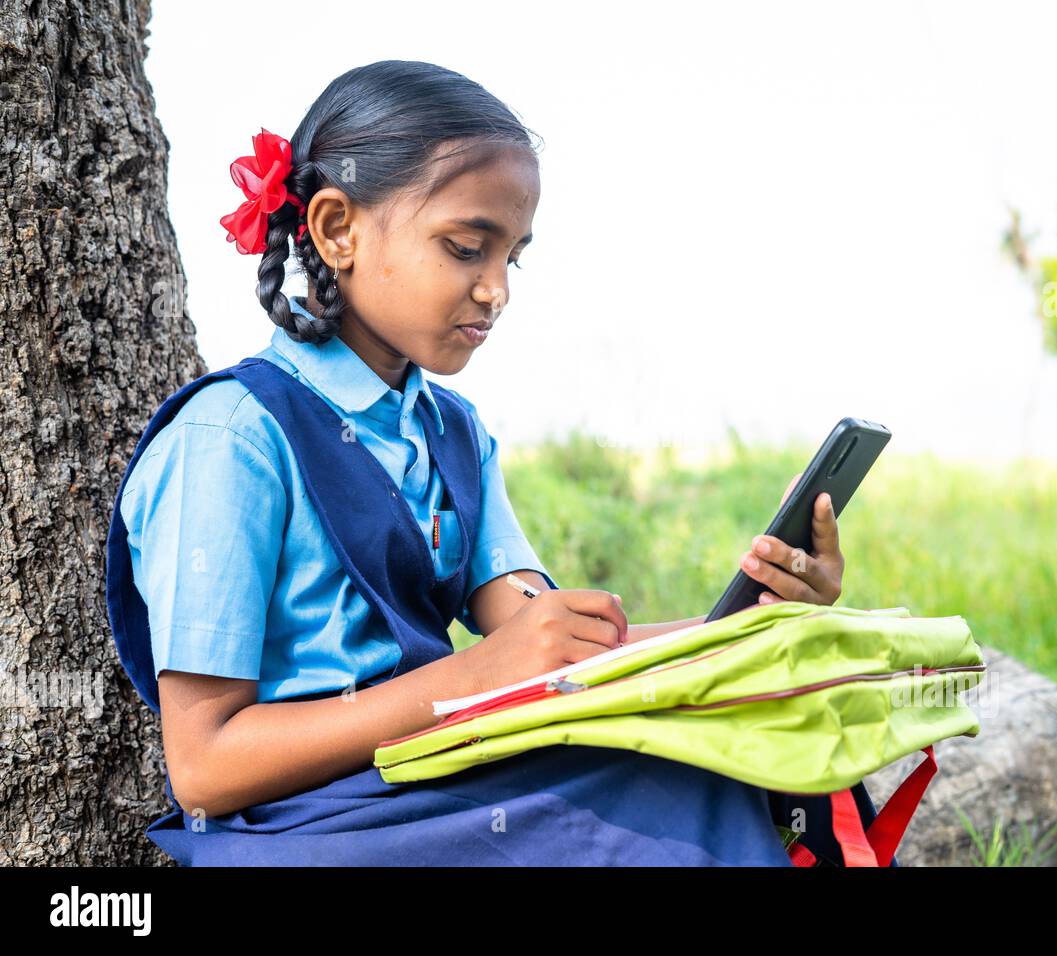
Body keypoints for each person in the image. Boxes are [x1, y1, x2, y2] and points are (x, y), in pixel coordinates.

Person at [105, 59, 884, 866]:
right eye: (467, 248)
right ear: (338, 230)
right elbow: (204, 766)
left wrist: (753, 623)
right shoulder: (232, 439)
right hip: (308, 827)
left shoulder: (453, 434)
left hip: (426, 781)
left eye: (512, 257)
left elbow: (549, 642)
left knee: (717, 769)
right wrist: (470, 676)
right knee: (665, 808)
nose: (496, 291)